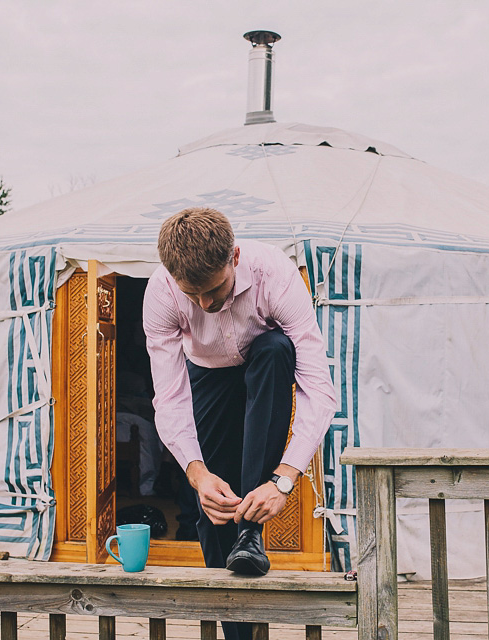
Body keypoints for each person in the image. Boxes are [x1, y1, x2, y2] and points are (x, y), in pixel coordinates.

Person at [143, 207, 336, 640]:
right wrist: (197, 475)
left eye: (212, 290)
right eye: (192, 295)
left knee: (273, 349)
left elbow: (318, 390)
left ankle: (252, 532)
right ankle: (236, 633)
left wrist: (283, 480)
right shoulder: (160, 292)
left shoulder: (276, 276)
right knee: (212, 510)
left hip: (263, 369)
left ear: (234, 257)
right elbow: (169, 396)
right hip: (206, 375)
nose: (205, 305)